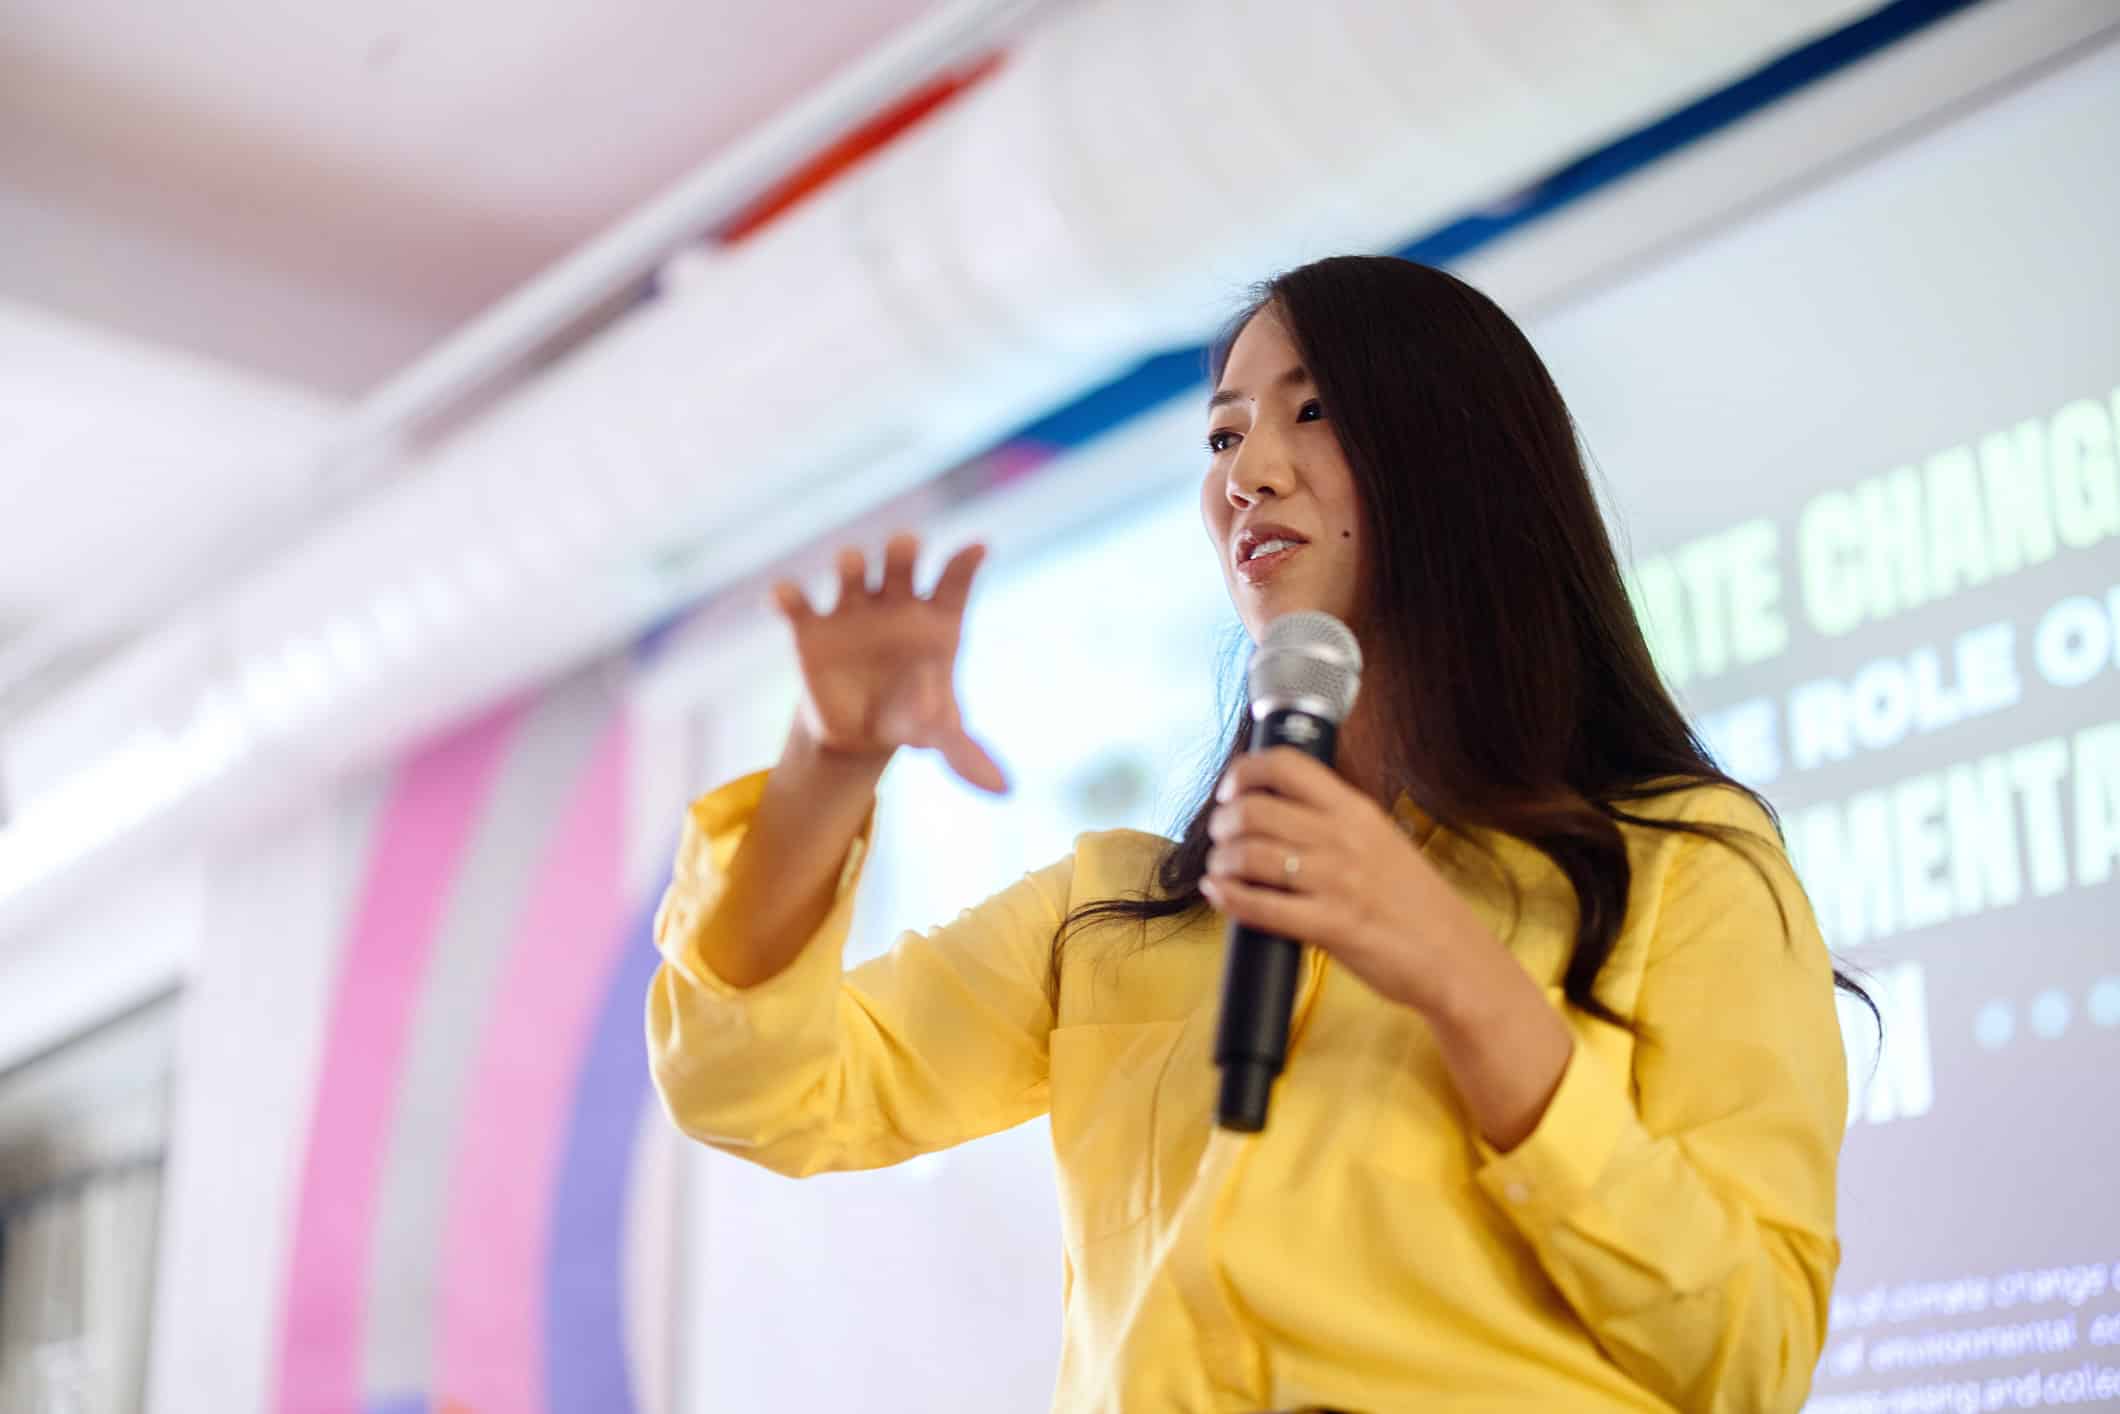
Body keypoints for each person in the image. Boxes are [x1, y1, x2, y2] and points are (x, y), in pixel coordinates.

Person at [646, 255, 1856, 1412]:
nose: (1247, 472)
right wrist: (825, 767)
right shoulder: (1113, 910)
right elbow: (764, 1089)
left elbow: (1747, 1354)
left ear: (1467, 456)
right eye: (1222, 434)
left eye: (1311, 410)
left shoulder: (1681, 861)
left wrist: (1463, 979)